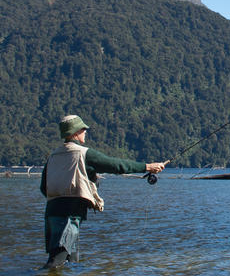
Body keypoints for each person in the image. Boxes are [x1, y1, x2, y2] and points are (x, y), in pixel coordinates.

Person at [40, 115, 166, 269]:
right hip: (69, 213)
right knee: (56, 261)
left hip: (51, 213)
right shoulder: (84, 154)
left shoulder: (53, 156)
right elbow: (117, 165)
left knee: (70, 261)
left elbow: (43, 188)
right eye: (83, 129)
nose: (85, 132)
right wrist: (147, 167)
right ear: (75, 133)